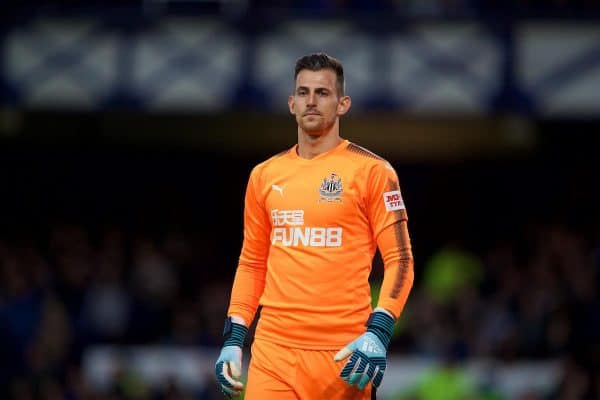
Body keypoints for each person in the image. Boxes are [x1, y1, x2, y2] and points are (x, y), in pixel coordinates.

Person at [214, 52, 414, 400]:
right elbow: (252, 262)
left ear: (342, 104)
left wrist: (379, 331)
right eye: (303, 92)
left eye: (322, 93)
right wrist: (233, 338)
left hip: (344, 356)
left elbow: (401, 260)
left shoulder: (374, 172)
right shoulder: (264, 176)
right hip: (273, 353)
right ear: (291, 103)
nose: (311, 101)